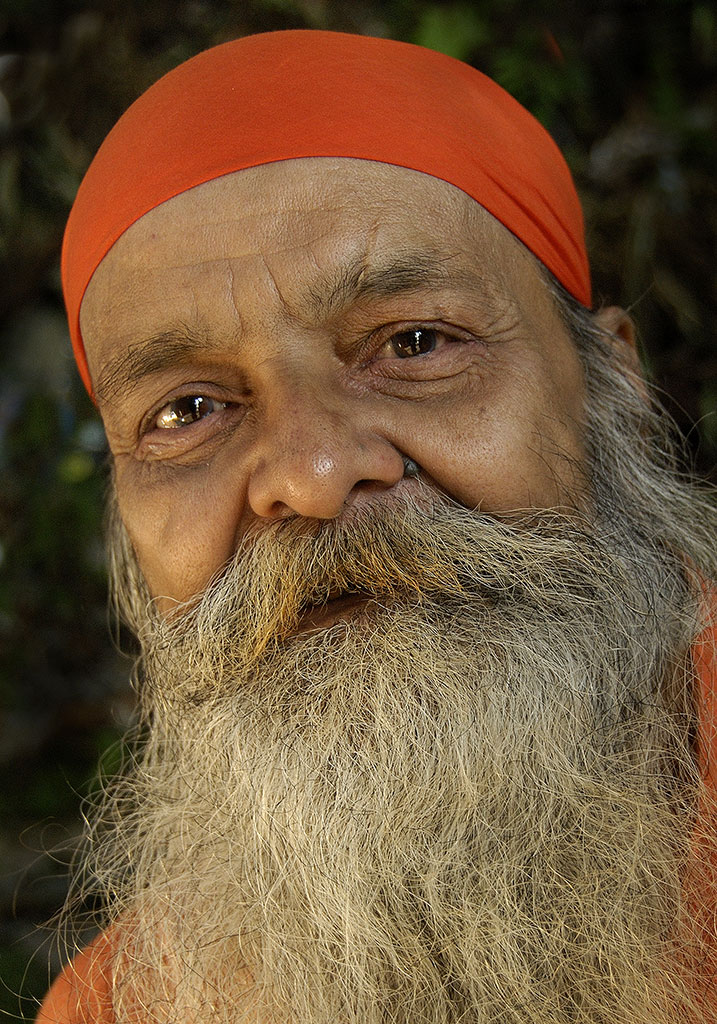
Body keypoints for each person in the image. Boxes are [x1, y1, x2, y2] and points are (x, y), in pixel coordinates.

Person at [38, 28, 717, 1024]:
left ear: (610, 381)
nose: (312, 477)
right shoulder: (119, 1005)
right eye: (189, 411)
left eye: (414, 342)